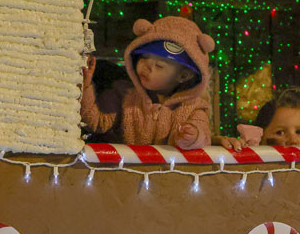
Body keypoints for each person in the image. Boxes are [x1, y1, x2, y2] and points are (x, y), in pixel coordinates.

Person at [81, 17, 215, 149]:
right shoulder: (123, 94)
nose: (146, 66)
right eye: (144, 57)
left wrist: (194, 136)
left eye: (159, 65)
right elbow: (95, 122)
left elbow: (204, 135)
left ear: (183, 75)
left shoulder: (194, 107)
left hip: (172, 170)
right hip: (127, 169)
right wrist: (85, 87)